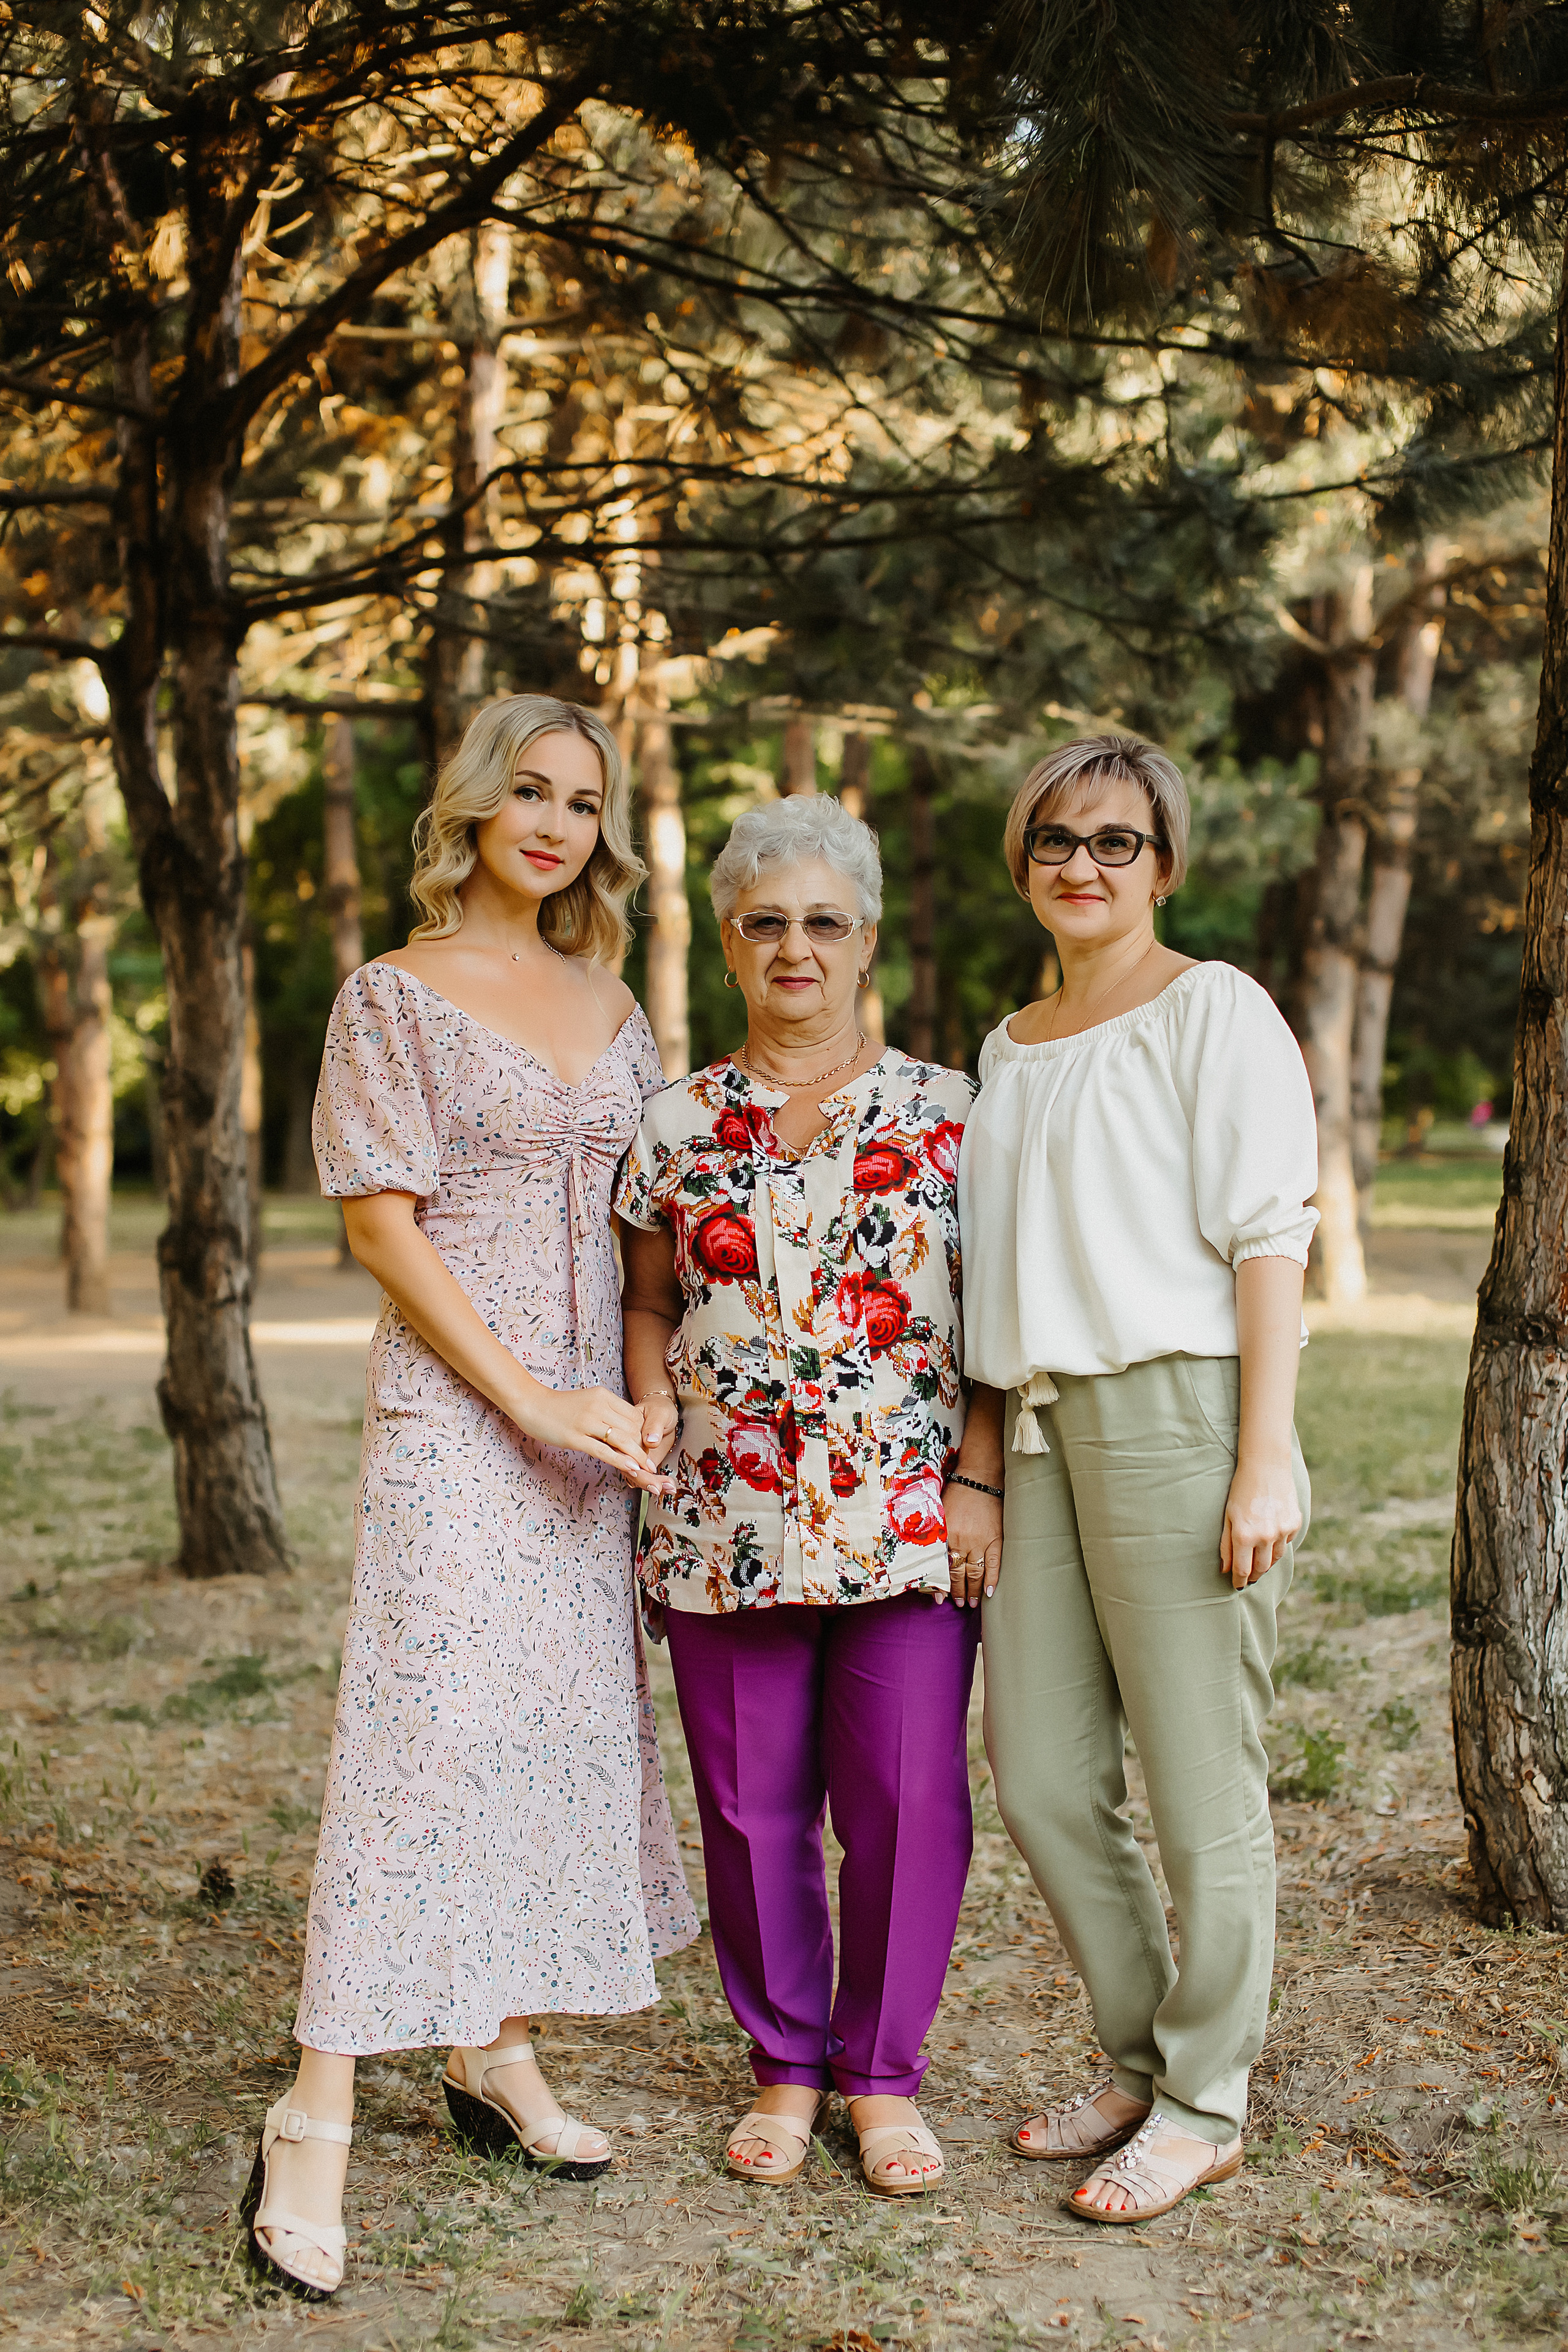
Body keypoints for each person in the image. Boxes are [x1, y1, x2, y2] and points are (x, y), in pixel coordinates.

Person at [244, 695, 698, 2300]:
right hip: (461, 1412)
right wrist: (528, 1400)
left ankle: (490, 2047)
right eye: (532, 792)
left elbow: (644, 1227)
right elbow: (381, 1228)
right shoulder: (394, 994)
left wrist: (639, 1389)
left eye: (583, 801)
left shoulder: (615, 1000)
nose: (558, 824)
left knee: (550, 1728)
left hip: (592, 1425)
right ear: (477, 806)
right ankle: (312, 2112)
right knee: (423, 1741)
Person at [950, 733, 1316, 2225]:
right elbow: (987, 1274)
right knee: (1040, 1775)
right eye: (1054, 839)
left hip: (1177, 1415)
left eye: (1114, 840)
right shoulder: (1006, 1047)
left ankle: (1203, 2101)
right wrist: (978, 1469)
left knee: (1198, 1784)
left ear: (1161, 865)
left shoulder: (1209, 1007)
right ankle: (1139, 2056)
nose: (1081, 865)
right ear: (1022, 863)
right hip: (1033, 1432)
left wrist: (1262, 1453)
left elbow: (1267, 1237)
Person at [615, 794, 996, 2197]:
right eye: (765, 922)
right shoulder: (672, 1123)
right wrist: (653, 1402)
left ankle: (880, 2078)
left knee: (904, 1800)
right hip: (723, 1514)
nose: (795, 948)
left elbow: (997, 1321)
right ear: (726, 941)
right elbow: (648, 1300)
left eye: (822, 922)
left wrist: (978, 1479)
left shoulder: (950, 1113)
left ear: (865, 939)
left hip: (906, 1516)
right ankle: (784, 2062)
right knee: (749, 1806)